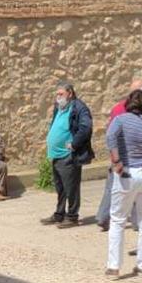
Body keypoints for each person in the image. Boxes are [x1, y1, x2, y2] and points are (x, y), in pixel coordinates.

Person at [104, 89, 142, 278]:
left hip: (128, 171)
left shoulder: (120, 120)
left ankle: (114, 267)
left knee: (118, 219)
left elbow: (110, 137)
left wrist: (116, 161)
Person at [40, 81, 95, 228]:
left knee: (71, 188)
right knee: (60, 188)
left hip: (68, 155)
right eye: (57, 94)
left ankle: (72, 216)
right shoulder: (59, 107)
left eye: (61, 94)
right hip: (56, 155)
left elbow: (86, 127)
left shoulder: (79, 108)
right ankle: (59, 214)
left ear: (70, 93)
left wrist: (74, 143)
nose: (58, 97)